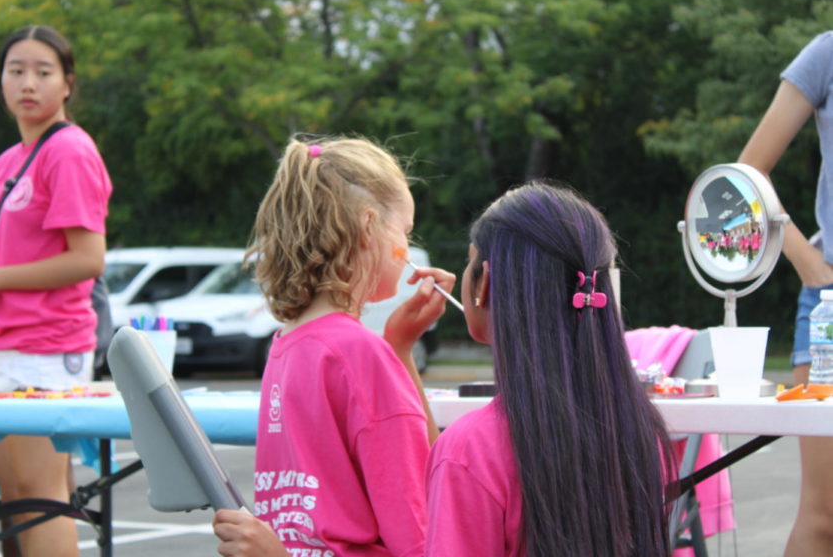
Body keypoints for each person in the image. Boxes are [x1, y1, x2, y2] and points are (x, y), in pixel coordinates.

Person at [214, 181, 675, 557]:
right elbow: (456, 472)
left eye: (470, 261)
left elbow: (461, 474)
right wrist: (400, 350)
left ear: (485, 283)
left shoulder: (473, 447)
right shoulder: (642, 434)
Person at [217, 136, 454, 556]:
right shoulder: (359, 354)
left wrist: (399, 348)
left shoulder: (286, 346)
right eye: (405, 230)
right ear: (367, 228)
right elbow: (421, 532)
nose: (408, 251)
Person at [0, 25, 112, 557]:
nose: (28, 83)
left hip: (44, 347)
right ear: (0, 83)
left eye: (43, 71)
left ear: (67, 85)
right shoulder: (7, 161)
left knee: (41, 499)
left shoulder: (70, 151)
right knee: (13, 499)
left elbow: (88, 259)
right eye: (16, 71)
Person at [737, 30, 833, 557]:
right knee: (825, 519)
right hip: (830, 307)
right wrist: (810, 264)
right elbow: (748, 172)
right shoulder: (826, 53)